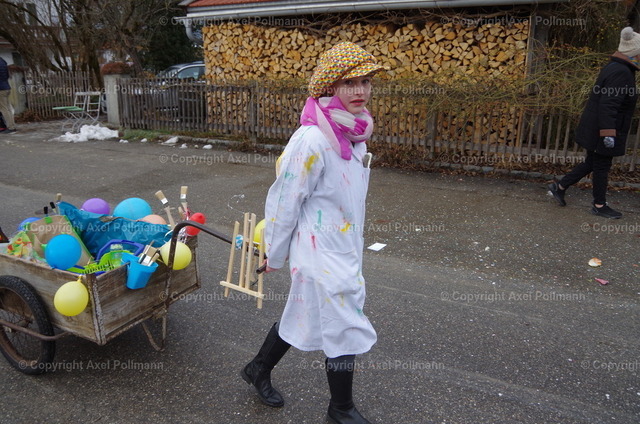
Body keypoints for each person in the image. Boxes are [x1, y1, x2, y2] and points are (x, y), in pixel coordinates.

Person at [241, 41, 384, 424]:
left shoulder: (354, 133)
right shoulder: (312, 139)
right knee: (343, 323)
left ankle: (257, 368)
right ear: (330, 87)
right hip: (318, 252)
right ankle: (341, 409)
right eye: (349, 82)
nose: (360, 90)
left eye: (365, 81)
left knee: (304, 314)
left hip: (344, 246)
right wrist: (275, 252)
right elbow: (285, 199)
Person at [548, 27, 640, 219]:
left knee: (592, 162)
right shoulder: (622, 72)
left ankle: (560, 186)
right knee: (601, 166)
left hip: (598, 126)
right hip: (604, 129)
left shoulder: (615, 67)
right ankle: (599, 205)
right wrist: (608, 133)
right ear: (635, 52)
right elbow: (608, 105)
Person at [0, 57, 16, 134]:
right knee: (8, 108)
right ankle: (12, 126)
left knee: (4, 109)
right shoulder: (3, 61)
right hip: (6, 87)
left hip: (1, 89)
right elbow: (7, 75)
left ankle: (10, 127)